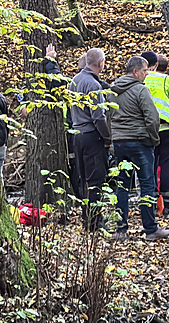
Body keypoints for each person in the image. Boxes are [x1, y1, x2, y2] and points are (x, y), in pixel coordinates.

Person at [108, 56, 169, 241]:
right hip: (140, 142)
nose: (147, 73)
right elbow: (152, 118)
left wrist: (112, 138)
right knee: (146, 184)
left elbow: (108, 116)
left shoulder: (112, 90)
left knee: (122, 186)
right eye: (144, 70)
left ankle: (120, 230)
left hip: (120, 142)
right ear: (135, 72)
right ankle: (151, 229)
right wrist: (153, 138)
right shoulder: (140, 90)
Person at [68, 48, 111, 231]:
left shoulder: (74, 81)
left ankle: (87, 217)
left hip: (77, 135)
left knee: (83, 179)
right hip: (92, 136)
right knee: (96, 180)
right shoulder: (93, 85)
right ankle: (94, 222)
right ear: (100, 63)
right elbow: (98, 117)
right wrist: (107, 137)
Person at [140, 51, 169, 215]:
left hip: (145, 130)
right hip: (165, 129)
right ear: (157, 65)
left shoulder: (139, 78)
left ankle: (150, 201)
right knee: (166, 164)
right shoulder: (165, 80)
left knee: (149, 165)